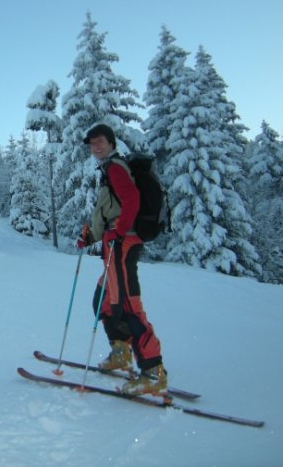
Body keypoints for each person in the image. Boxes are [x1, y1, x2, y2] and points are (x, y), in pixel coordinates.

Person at [77, 124, 167, 396]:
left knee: (126, 307)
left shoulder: (115, 167)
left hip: (122, 245)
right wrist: (90, 235)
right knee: (102, 299)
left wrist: (118, 230)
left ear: (111, 142)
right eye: (92, 144)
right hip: (114, 244)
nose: (96, 147)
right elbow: (110, 210)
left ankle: (153, 372)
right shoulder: (108, 169)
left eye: (100, 142)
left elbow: (131, 199)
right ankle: (121, 353)